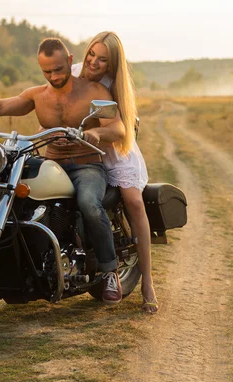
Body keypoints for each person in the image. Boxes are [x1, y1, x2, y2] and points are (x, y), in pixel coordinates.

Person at [0, 38, 125, 305]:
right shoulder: (38, 95)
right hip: (50, 164)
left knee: (89, 204)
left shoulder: (93, 91)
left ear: (71, 60)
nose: (54, 76)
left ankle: (110, 270)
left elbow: (118, 128)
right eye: (47, 71)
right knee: (6, 191)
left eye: (59, 69)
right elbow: (2, 106)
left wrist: (95, 131)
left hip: (85, 166)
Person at [75, 31, 158, 314]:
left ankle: (147, 282)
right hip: (83, 152)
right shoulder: (74, 75)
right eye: (91, 55)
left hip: (115, 152)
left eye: (103, 59)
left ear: (112, 64)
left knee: (134, 202)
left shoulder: (115, 86)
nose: (94, 62)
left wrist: (99, 131)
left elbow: (122, 130)